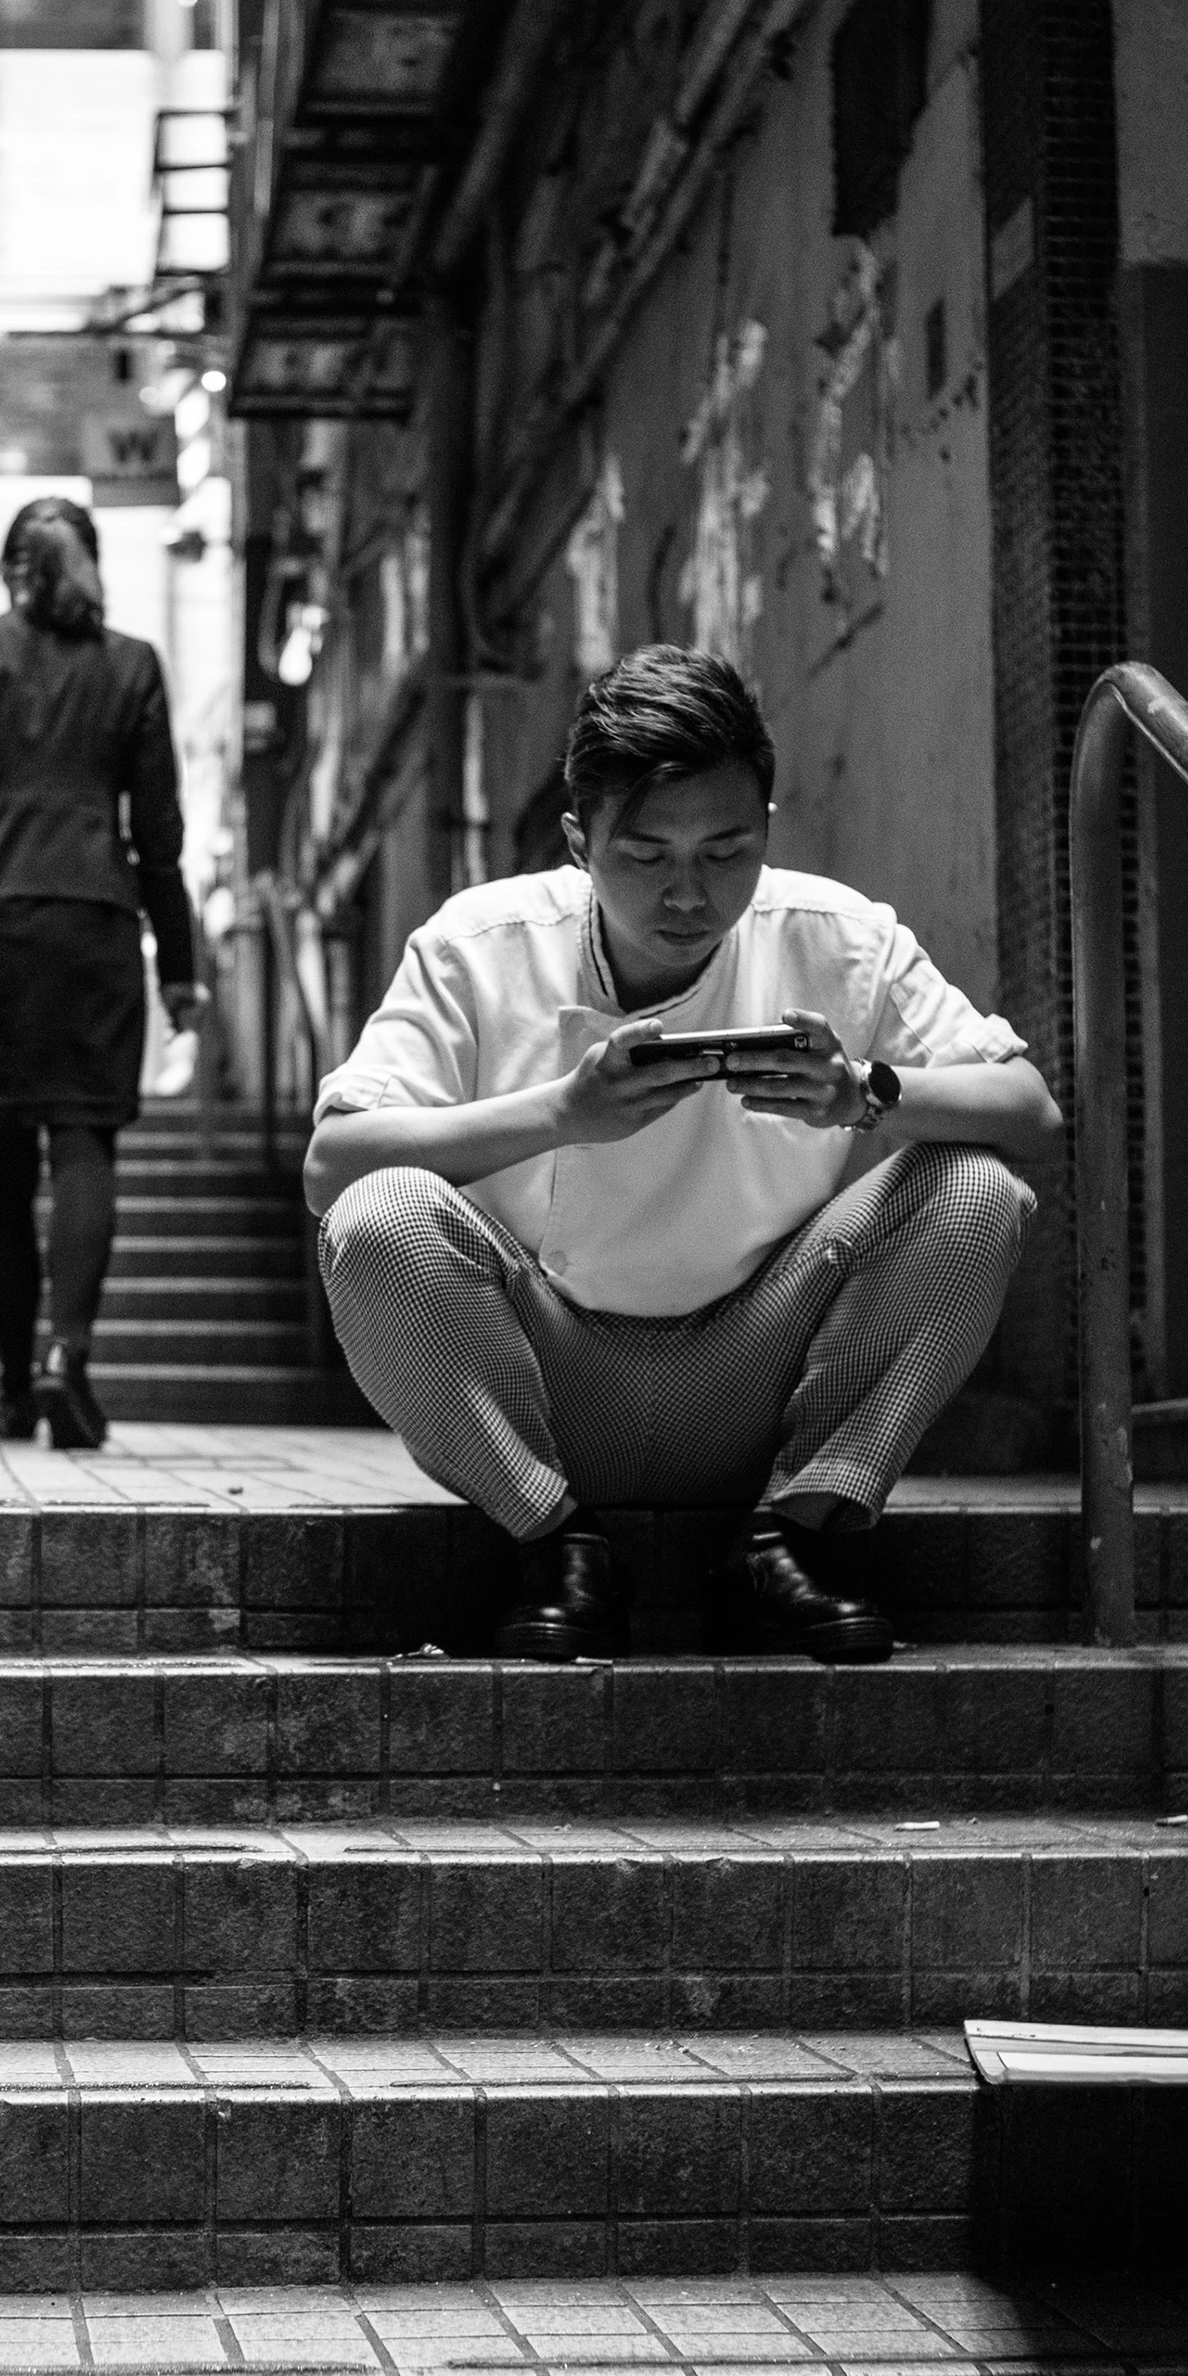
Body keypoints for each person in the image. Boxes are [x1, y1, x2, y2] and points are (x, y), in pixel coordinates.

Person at [304, 645, 1061, 1665]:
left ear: (766, 833)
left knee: (974, 1188)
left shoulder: (836, 934)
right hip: (550, 1378)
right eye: (646, 854)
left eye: (725, 851)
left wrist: (866, 1093)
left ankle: (794, 1531)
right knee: (378, 1218)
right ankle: (557, 1543)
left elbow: (1031, 1113)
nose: (689, 895)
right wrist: (564, 1113)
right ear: (580, 840)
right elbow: (332, 1165)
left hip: (762, 1370)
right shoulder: (478, 943)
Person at [0, 497, 204, 1447]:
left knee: (4, 1158)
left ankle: (15, 1388)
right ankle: (70, 1361)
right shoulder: (134, 665)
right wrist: (177, 968)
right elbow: (161, 835)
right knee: (87, 1141)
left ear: (8, 570)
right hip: (97, 921)